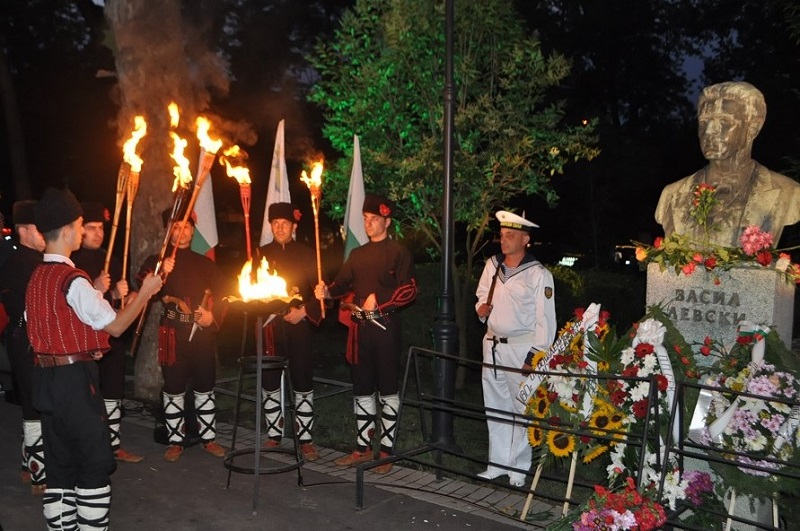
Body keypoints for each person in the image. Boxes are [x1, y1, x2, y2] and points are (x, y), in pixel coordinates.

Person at [25, 187, 162, 531]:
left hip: (46, 382)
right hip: (73, 384)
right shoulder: (73, 280)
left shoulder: (37, 277)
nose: (84, 231)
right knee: (94, 463)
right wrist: (145, 293)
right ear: (69, 230)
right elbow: (116, 326)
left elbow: (46, 328)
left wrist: (87, 345)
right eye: (82, 224)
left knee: (60, 465)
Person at [314, 193, 416, 474]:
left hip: (386, 328)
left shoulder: (399, 252)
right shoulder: (357, 255)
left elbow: (409, 290)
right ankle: (361, 447)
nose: (369, 224)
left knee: (387, 389)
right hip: (360, 331)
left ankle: (385, 452)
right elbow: (340, 284)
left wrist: (379, 301)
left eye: (374, 219)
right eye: (366, 220)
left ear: (387, 221)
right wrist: (326, 292)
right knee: (361, 389)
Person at [655, 81, 800, 247]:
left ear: (753, 128)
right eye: (704, 122)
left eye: (724, 121)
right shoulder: (672, 195)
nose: (709, 131)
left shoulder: (789, 192)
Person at [136, 209, 229, 462]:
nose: (183, 231)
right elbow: (141, 285)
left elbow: (226, 293)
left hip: (202, 333)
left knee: (205, 386)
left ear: (193, 231)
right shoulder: (157, 261)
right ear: (169, 231)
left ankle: (208, 438)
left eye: (187, 227)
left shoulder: (204, 263)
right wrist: (161, 271)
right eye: (177, 227)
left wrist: (213, 315)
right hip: (173, 333)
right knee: (174, 387)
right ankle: (175, 440)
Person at [474, 210, 556, 487]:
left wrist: (536, 356)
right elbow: (481, 295)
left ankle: (518, 468)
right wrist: (481, 310)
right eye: (502, 235)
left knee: (521, 408)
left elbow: (545, 319)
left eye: (510, 236)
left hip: (521, 349)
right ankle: (496, 464)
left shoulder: (538, 274)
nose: (503, 240)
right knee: (495, 407)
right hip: (493, 346)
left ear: (526, 239)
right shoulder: (492, 265)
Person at [71, 202, 142, 464]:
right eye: (91, 228)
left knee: (113, 389)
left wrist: (125, 295)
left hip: (112, 334)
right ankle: (88, 447)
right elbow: (79, 304)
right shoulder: (73, 261)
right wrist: (100, 289)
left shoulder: (111, 258)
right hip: (85, 339)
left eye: (101, 228)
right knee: (88, 392)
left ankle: (113, 444)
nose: (98, 233)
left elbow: (115, 304)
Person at [257, 202, 323, 461]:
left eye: (285, 223)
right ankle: (274, 434)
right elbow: (250, 288)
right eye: (275, 223)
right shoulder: (260, 253)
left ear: (294, 226)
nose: (280, 227)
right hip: (270, 327)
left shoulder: (307, 254)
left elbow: (322, 293)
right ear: (270, 226)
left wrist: (305, 311)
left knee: (303, 379)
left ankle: (305, 438)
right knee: (270, 382)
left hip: (298, 324)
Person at [0, 200, 46, 494]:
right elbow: (17, 306)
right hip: (25, 342)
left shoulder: (40, 259)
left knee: (38, 403)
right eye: (41, 229)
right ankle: (40, 474)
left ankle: (27, 465)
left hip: (39, 342)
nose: (46, 235)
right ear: (25, 230)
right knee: (35, 405)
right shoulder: (17, 262)